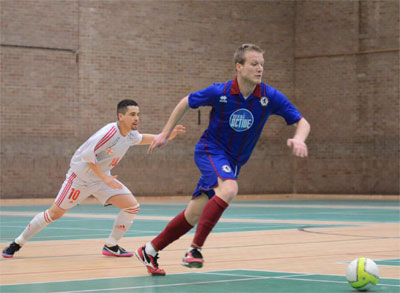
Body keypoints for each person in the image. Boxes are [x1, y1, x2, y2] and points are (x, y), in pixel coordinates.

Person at [134, 44, 310, 275]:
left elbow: (302, 122)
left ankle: (149, 250)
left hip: (233, 162)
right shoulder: (220, 92)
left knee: (193, 215)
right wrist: (164, 134)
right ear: (239, 66)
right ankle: (194, 251)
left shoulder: (269, 96)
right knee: (229, 189)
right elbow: (186, 101)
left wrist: (299, 139)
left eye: (262, 65)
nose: (260, 69)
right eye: (254, 64)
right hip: (211, 150)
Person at [2, 99, 185, 258]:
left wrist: (167, 135)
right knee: (54, 214)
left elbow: (142, 138)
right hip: (80, 179)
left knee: (131, 206)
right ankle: (18, 242)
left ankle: (111, 245)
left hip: (102, 178)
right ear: (120, 116)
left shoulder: (129, 134)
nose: (136, 118)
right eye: (132, 114)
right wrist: (104, 179)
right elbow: (88, 156)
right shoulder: (109, 133)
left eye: (138, 114)